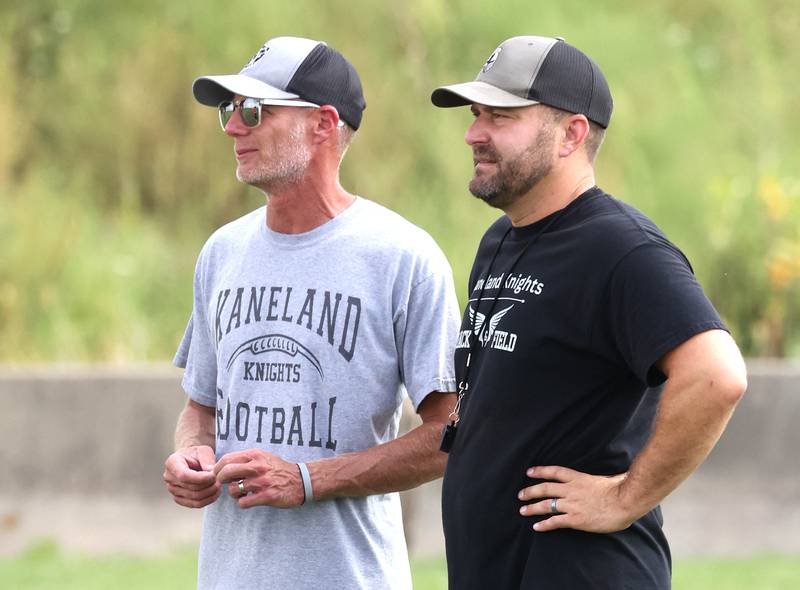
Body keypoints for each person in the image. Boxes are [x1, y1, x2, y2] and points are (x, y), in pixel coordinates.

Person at [430, 36, 747, 589]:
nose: (473, 133)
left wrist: (623, 499)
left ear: (571, 134)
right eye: (476, 114)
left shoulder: (623, 250)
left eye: (500, 117)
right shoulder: (500, 238)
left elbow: (717, 375)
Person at [162, 36, 460, 590]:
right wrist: (192, 454)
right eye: (230, 111)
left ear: (323, 123)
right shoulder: (221, 252)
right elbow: (200, 408)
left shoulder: (403, 258)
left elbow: (450, 433)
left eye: (254, 111)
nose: (231, 127)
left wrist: (308, 479)